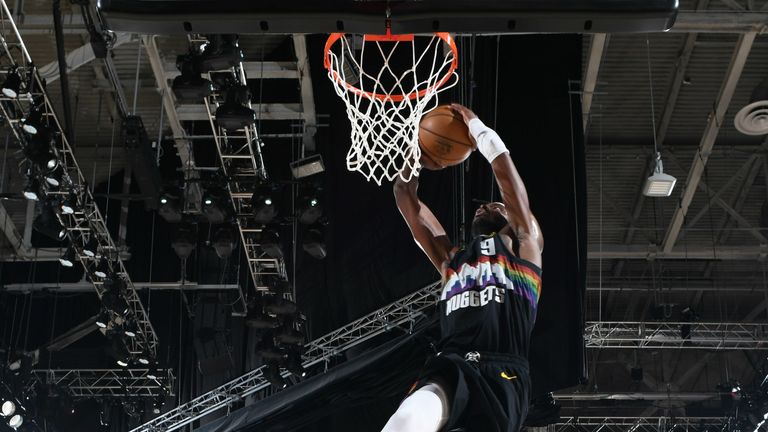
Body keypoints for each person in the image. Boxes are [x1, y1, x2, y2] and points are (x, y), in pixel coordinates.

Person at [383, 104, 544, 432]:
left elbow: (509, 184)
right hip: (451, 363)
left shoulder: (524, 245)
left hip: (503, 373)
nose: (484, 206)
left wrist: (479, 131)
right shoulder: (451, 259)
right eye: (483, 206)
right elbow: (404, 194)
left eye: (496, 206)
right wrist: (416, 153)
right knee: (406, 420)